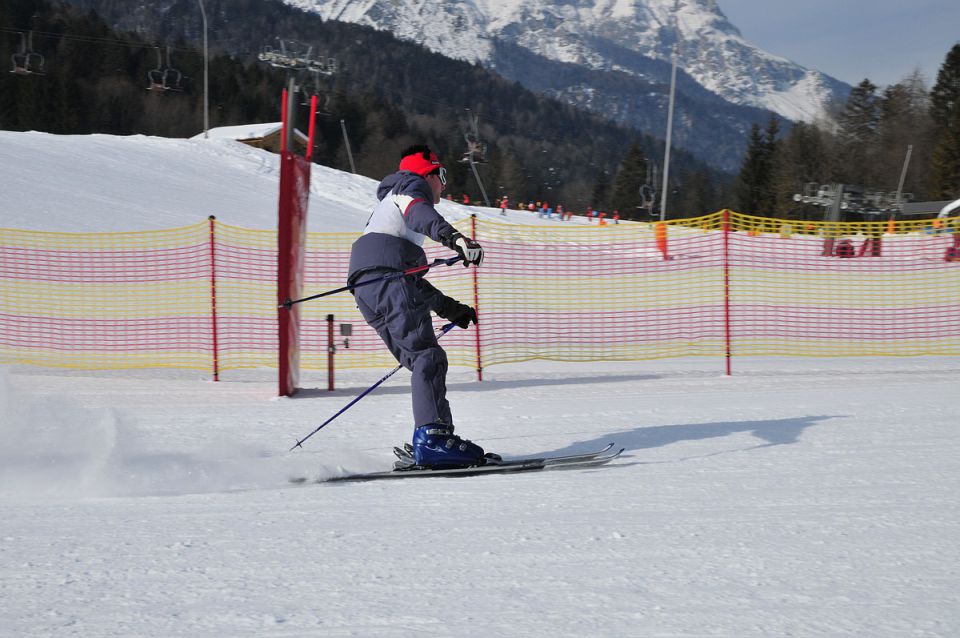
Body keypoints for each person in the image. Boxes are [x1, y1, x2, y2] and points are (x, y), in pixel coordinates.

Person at [347, 145, 486, 468]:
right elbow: (420, 214)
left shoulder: (389, 204)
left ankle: (428, 437)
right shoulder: (410, 187)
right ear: (429, 172)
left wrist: (451, 309)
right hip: (387, 282)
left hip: (369, 288)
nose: (444, 185)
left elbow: (408, 283)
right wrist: (456, 239)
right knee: (428, 357)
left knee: (420, 359)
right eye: (443, 176)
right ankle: (434, 439)